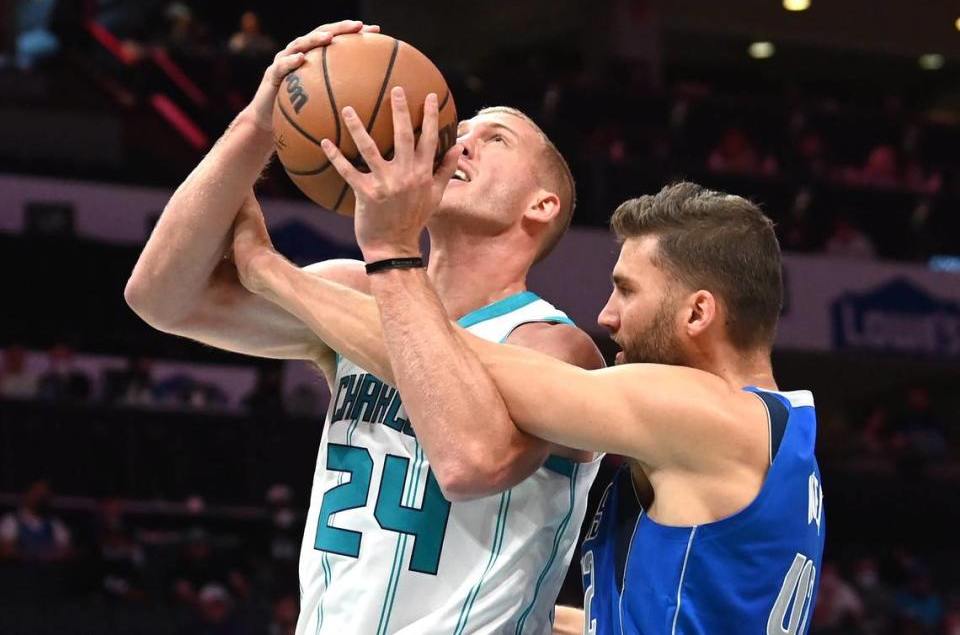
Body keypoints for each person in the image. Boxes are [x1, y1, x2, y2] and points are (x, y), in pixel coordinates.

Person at [125, 20, 605, 634]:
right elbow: (160, 298)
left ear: (542, 204)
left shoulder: (553, 344)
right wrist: (260, 122)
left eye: (496, 139)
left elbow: (471, 462)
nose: (461, 144)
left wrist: (278, 268)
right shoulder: (357, 291)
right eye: (460, 134)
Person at [231, 170, 825, 633]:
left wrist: (281, 270)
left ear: (698, 312)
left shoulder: (705, 413)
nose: (606, 316)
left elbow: (475, 366)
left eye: (626, 290)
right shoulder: (779, 432)